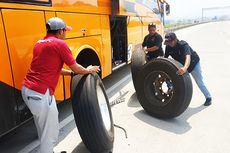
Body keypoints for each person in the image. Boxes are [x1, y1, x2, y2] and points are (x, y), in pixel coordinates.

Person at [21, 17, 100, 153]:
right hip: (40, 94)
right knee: (50, 133)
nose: (66, 34)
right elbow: (76, 67)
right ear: (60, 31)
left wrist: (70, 75)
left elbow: (51, 68)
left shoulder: (39, 43)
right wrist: (88, 70)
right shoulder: (60, 44)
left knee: (43, 127)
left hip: (28, 91)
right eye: (65, 31)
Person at [164, 32, 212, 106]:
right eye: (167, 42)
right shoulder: (168, 47)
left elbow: (188, 57)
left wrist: (185, 68)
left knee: (199, 82)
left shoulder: (183, 45)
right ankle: (171, 91)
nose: (169, 43)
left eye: (170, 41)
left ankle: (208, 97)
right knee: (169, 77)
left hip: (193, 64)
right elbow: (165, 59)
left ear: (175, 39)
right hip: (181, 65)